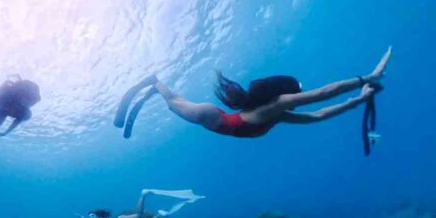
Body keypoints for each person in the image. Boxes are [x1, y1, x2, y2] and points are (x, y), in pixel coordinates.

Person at [114, 47, 392, 139]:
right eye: (299, 91)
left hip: (218, 118)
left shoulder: (279, 114)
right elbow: (323, 94)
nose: (301, 94)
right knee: (173, 101)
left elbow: (319, 114)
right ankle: (153, 83)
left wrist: (360, 99)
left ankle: (155, 91)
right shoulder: (280, 105)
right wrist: (366, 78)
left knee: (175, 102)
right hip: (211, 118)